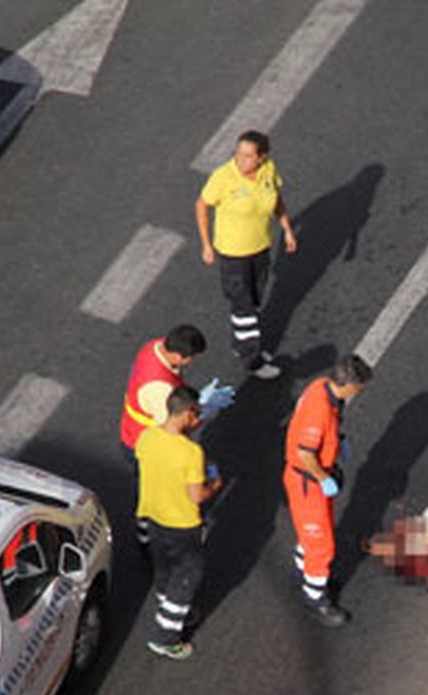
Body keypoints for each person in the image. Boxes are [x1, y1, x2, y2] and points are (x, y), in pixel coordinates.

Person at [196, 130, 297, 382]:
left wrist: (287, 229)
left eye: (248, 156)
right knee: (244, 307)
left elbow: (277, 200)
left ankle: (240, 344)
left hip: (260, 249)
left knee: (253, 299)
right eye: (238, 154)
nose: (241, 160)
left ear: (262, 157)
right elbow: (201, 205)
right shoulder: (224, 177)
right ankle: (252, 359)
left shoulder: (268, 171)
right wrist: (206, 245)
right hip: (233, 254)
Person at [284, 353, 373, 626]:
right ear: (347, 385)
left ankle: (307, 573)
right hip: (308, 482)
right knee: (321, 544)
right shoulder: (319, 410)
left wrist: (337, 441)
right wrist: (323, 478)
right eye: (358, 388)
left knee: (311, 534)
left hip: (312, 478)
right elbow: (305, 453)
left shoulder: (322, 387)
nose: (359, 393)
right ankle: (315, 598)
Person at [136, 386, 223, 660]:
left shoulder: (147, 437)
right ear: (187, 414)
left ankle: (168, 605)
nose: (198, 418)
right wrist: (215, 484)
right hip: (181, 523)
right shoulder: (191, 452)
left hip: (153, 515)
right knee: (187, 576)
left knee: (164, 566)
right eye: (196, 413)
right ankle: (165, 637)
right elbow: (197, 495)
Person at [118, 324, 233, 463]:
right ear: (178, 357)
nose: (191, 361)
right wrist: (203, 413)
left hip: (133, 431)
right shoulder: (160, 389)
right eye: (191, 357)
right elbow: (174, 428)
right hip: (146, 446)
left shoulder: (155, 346)